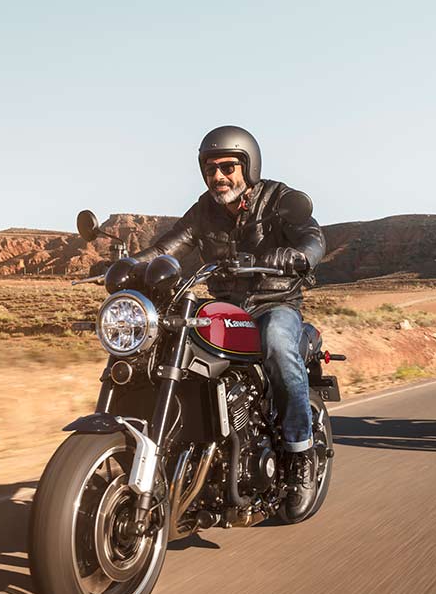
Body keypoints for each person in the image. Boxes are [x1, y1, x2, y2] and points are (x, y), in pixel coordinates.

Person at [132, 125, 326, 496]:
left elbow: (312, 236)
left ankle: (299, 450)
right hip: (225, 309)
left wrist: (299, 256)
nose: (218, 176)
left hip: (274, 303)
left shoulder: (278, 199)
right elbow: (166, 248)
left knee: (277, 342)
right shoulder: (204, 211)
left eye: (227, 167)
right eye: (210, 169)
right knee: (171, 340)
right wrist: (128, 265)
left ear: (248, 167)